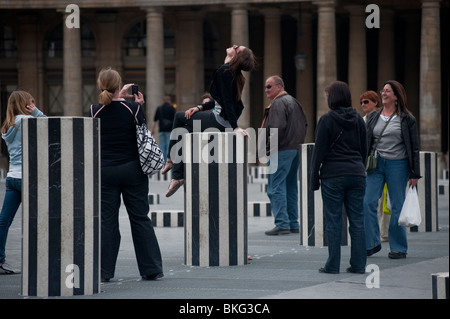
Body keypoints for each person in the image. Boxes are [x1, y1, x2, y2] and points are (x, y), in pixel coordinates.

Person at [90, 67, 163, 281]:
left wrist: (118, 97)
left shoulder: (94, 110)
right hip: (133, 170)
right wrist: (136, 105)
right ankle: (151, 269)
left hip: (105, 172)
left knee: (107, 221)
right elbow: (143, 134)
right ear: (120, 86)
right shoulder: (134, 108)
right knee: (140, 217)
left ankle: (104, 272)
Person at [161, 45, 256, 197]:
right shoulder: (234, 73)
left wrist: (235, 127)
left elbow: (228, 102)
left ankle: (171, 159)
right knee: (185, 131)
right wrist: (199, 108)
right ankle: (177, 176)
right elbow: (220, 101)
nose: (234, 45)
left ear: (236, 55)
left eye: (237, 47)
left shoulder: (224, 71)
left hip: (218, 121)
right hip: (222, 120)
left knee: (179, 117)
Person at [310, 81, 367, 274]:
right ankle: (359, 265)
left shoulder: (326, 120)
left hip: (333, 175)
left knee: (334, 221)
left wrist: (314, 178)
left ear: (332, 98)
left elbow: (318, 152)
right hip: (357, 173)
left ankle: (333, 265)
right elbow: (364, 148)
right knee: (358, 220)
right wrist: (360, 168)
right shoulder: (359, 119)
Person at [364, 80, 420, 259]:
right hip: (376, 164)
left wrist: (414, 173)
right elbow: (367, 141)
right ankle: (372, 243)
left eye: (387, 91)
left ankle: (398, 248)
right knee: (367, 202)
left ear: (396, 96)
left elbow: (414, 147)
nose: (383, 93)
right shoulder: (374, 116)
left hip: (398, 164)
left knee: (397, 205)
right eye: (383, 90)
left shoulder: (406, 118)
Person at [0, 91, 46, 274]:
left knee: (4, 220)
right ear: (25, 104)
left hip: (12, 177)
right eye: (30, 102)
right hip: (30, 178)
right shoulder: (26, 121)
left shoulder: (7, 126)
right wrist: (37, 112)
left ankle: (0, 260)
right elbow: (53, 127)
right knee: (40, 220)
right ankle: (39, 261)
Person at [261, 75, 307, 235]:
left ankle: (282, 223)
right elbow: (305, 124)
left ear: (279, 86)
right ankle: (293, 222)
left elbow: (276, 128)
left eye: (269, 86)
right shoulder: (295, 102)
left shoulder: (278, 103)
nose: (266, 90)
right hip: (294, 149)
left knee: (275, 187)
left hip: (280, 150)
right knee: (290, 186)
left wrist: (268, 148)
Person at [360, 91, 390, 243]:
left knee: (384, 200)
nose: (363, 105)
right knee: (371, 201)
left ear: (375, 103)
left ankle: (384, 232)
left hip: (382, 161)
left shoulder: (381, 118)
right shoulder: (361, 119)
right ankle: (375, 233)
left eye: (366, 102)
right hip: (368, 164)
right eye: (362, 102)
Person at [151, 96, 175, 161]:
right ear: (169, 101)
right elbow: (175, 120)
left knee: (162, 147)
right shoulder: (172, 108)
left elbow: (155, 120)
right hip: (169, 130)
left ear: (163, 101)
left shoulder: (159, 108)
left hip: (161, 130)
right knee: (168, 147)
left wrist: (152, 129)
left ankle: (162, 162)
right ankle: (168, 161)